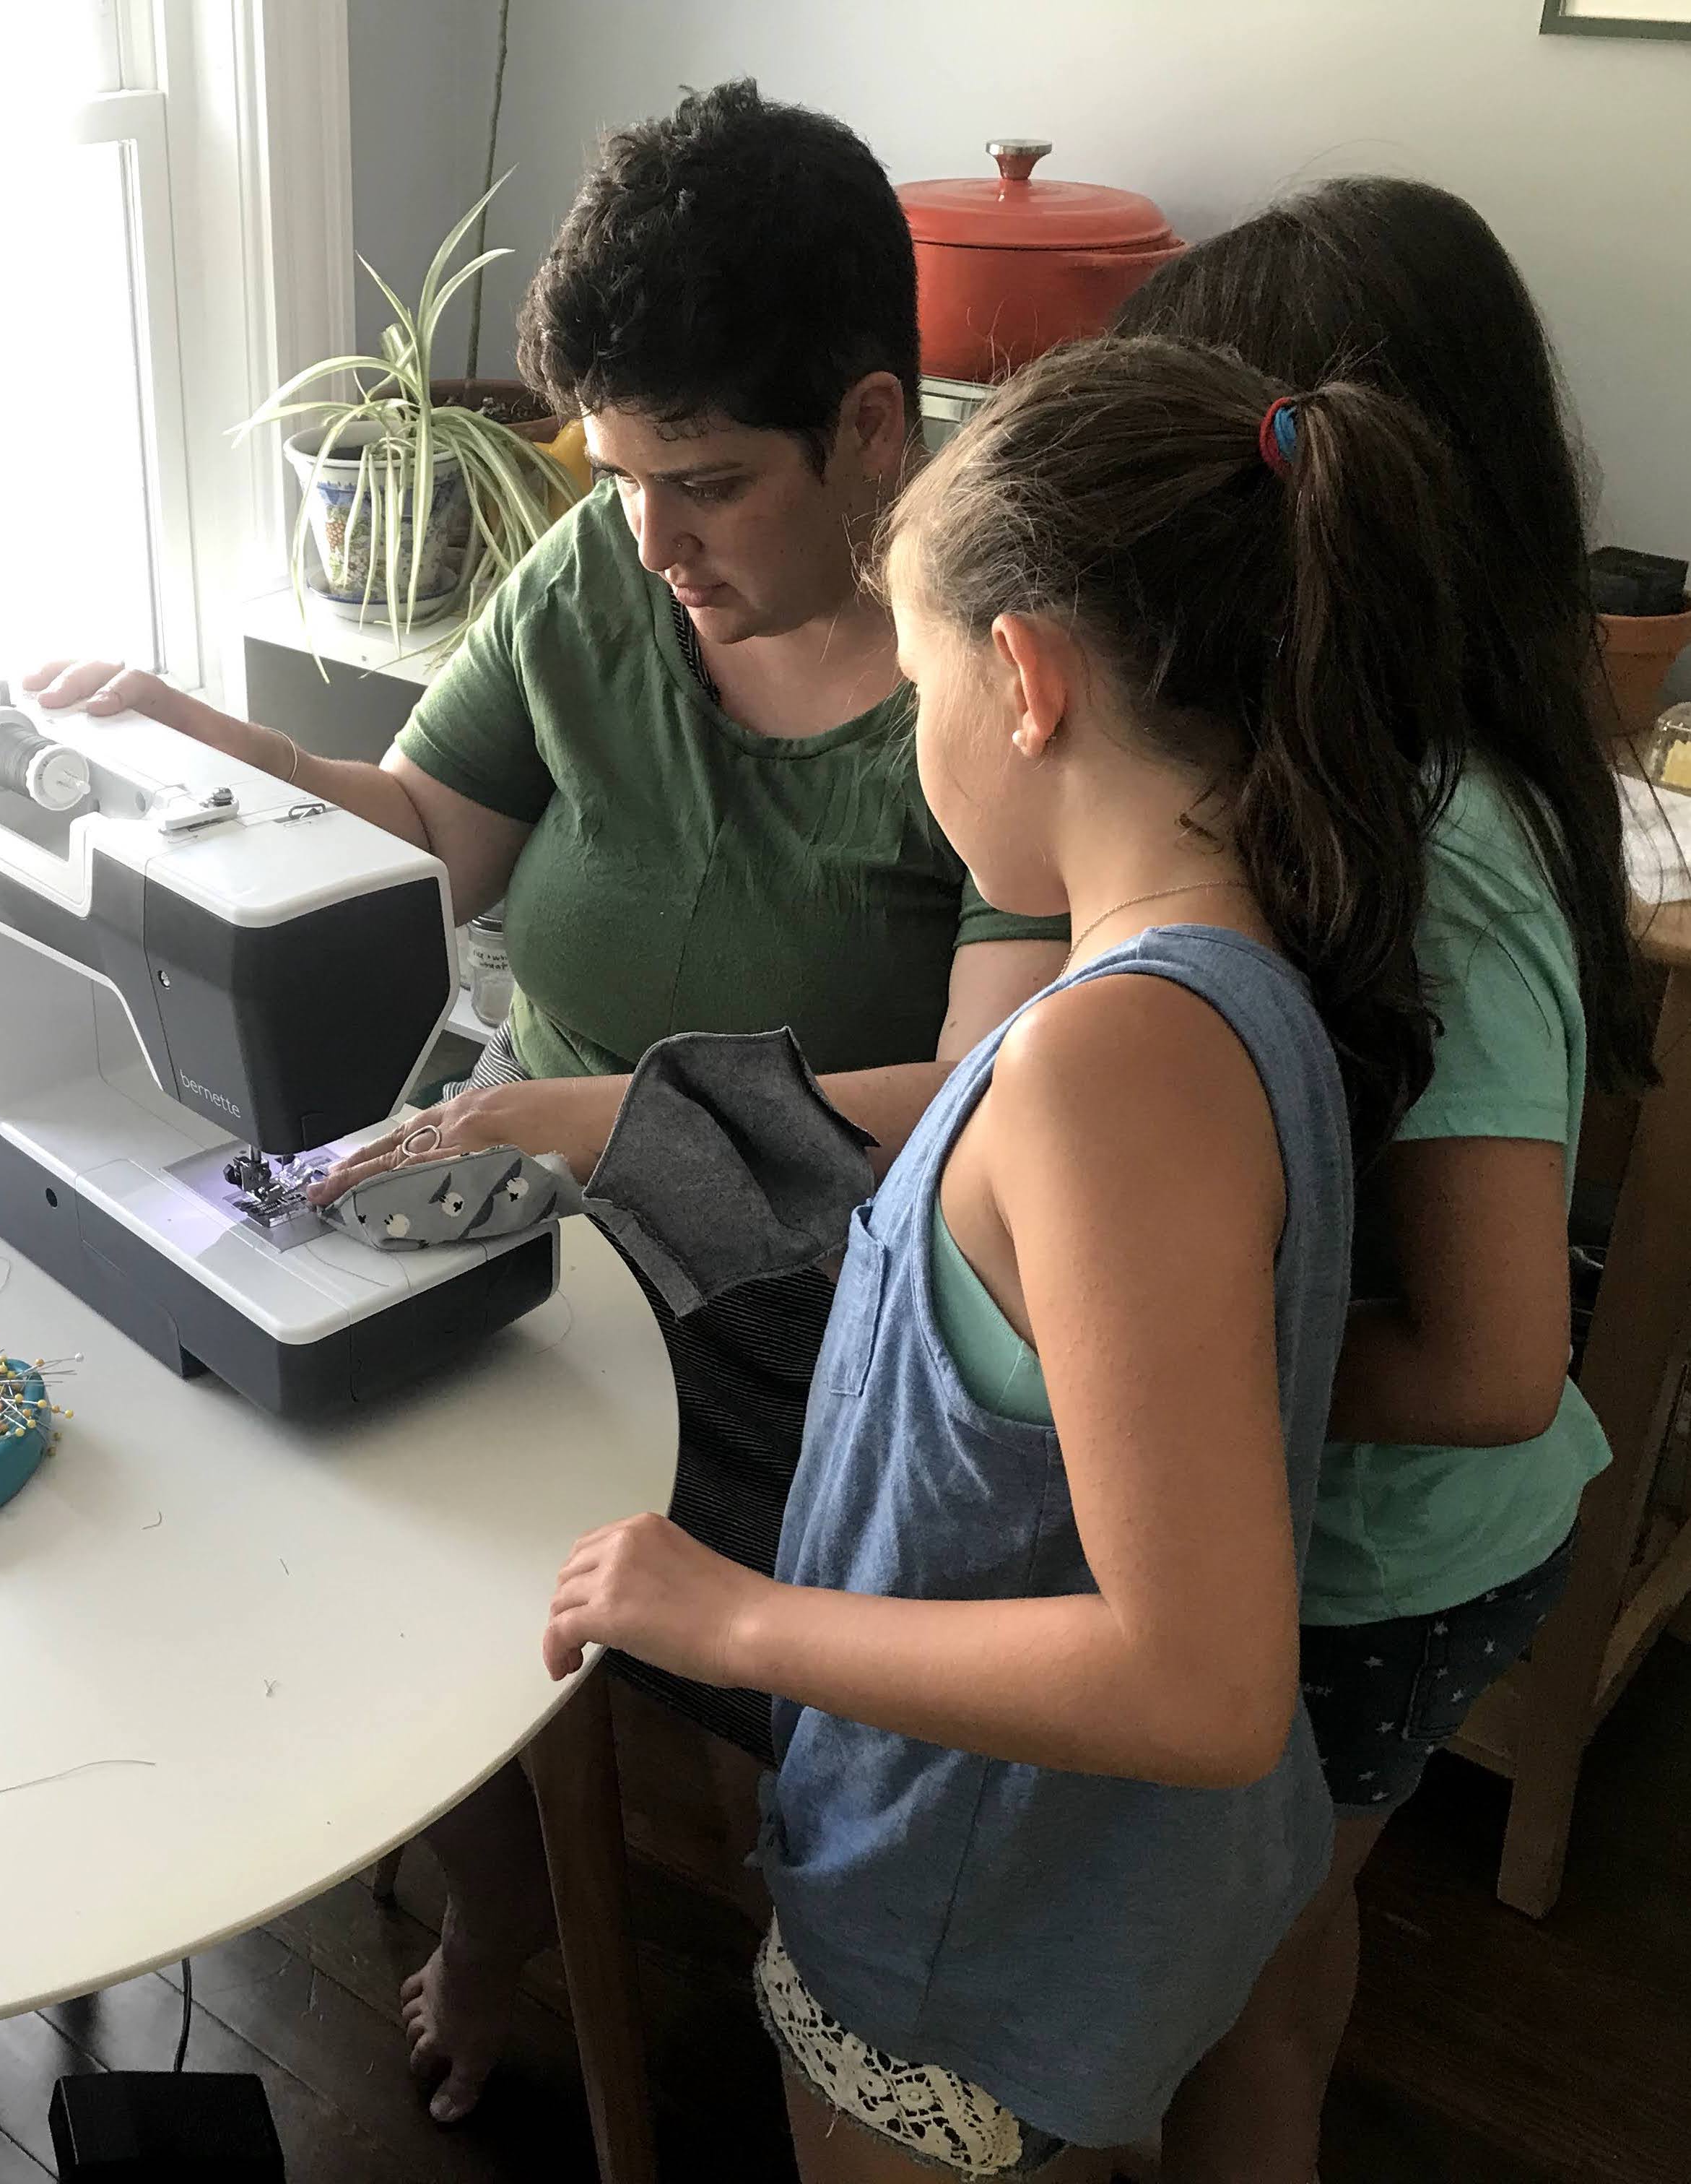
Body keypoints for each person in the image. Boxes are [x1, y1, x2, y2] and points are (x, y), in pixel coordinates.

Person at [28, 81, 1068, 2121]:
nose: (647, 536)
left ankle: (799, 1930)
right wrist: (199, 741)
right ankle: (499, 1899)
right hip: (540, 1207)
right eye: (615, 476)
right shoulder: (608, 568)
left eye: (701, 482)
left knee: (689, 1618)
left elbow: (973, 1111)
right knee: (317, 1469)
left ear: (871, 427)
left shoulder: (1002, 659)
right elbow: (427, 831)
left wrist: (607, 1123)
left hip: (814, 1286)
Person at [544, 330, 1469, 2181]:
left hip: (973, 1912)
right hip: (1073, 1884)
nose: (913, 727)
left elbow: (1195, 1681)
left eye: (913, 677)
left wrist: (716, 1614)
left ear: (1025, 681)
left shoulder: (1101, 1064)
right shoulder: (1234, 974)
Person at [1114, 178, 1653, 2183]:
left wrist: (1182, 1379)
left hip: (1392, 1548)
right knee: (1274, 1928)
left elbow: (1500, 1362)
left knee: (1235, 1965)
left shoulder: (1458, 859)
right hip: (1331, 1522)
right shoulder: (1335, 778)